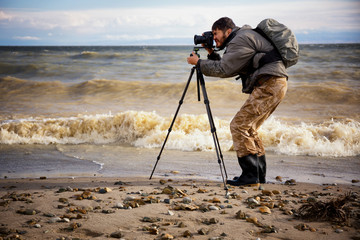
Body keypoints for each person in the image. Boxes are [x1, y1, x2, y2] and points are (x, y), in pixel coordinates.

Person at [187, 17, 288, 186]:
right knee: (250, 128)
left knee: (238, 125)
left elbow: (224, 70)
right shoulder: (241, 38)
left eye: (215, 33)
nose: (214, 38)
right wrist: (211, 54)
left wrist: (199, 63)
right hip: (275, 82)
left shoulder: (240, 39)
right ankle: (258, 175)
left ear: (227, 31)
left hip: (270, 83)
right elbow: (228, 65)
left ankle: (249, 176)